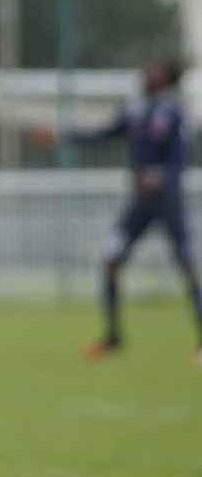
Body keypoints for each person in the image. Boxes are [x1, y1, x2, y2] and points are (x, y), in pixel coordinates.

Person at [48, 59, 202, 363]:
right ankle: (113, 337)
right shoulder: (136, 111)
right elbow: (103, 133)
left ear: (166, 78)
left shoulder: (174, 114)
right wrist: (62, 135)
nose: (145, 73)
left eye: (152, 70)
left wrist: (157, 176)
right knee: (111, 259)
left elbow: (178, 161)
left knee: (188, 265)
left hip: (168, 201)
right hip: (140, 205)